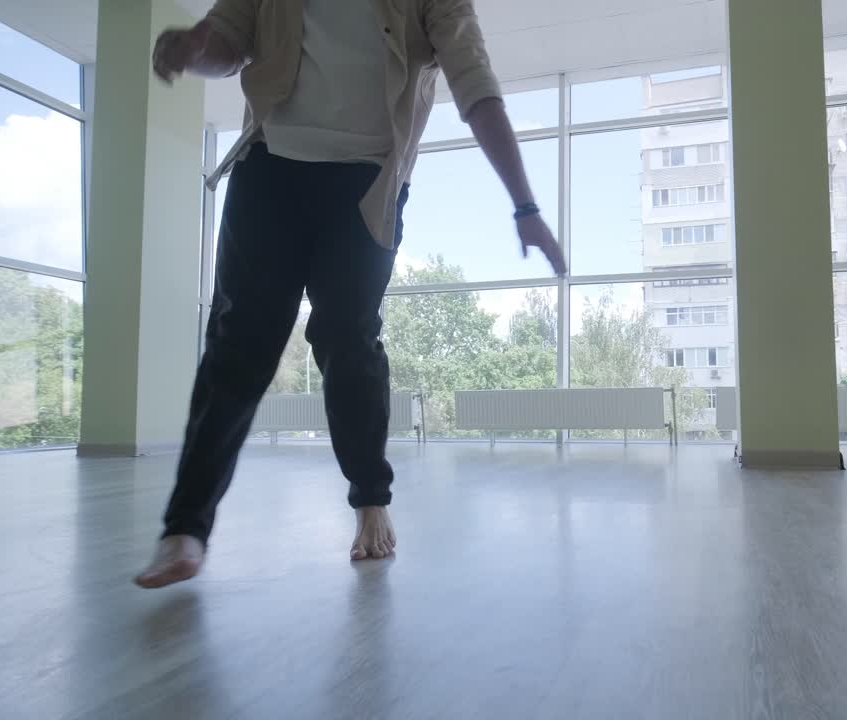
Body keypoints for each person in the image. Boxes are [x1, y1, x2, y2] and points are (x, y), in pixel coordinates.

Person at [134, 0, 565, 589]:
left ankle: (370, 500)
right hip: (270, 169)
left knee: (348, 337)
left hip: (367, 182)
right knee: (238, 346)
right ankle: (184, 529)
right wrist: (195, 50)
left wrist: (525, 204)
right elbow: (228, 42)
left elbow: (474, 81)